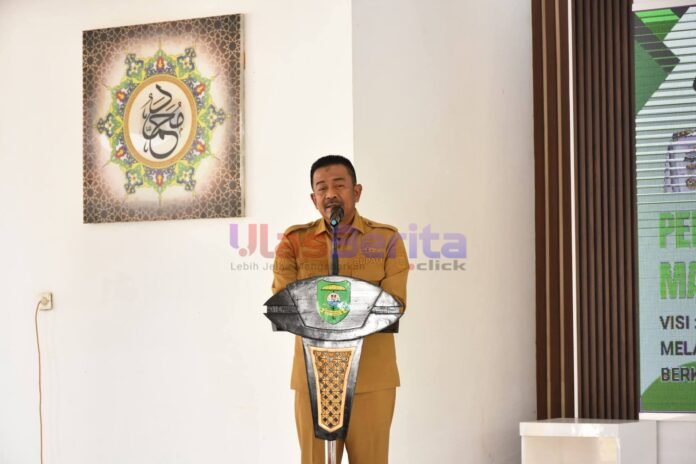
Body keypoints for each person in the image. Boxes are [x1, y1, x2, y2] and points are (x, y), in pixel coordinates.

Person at [272, 155, 409, 464]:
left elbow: (394, 303)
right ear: (314, 199)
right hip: (314, 380)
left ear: (356, 192)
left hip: (371, 381)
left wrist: (325, 306)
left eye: (339, 185)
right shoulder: (294, 242)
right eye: (321, 188)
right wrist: (357, 305)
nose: (330, 194)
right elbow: (283, 301)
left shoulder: (386, 240)